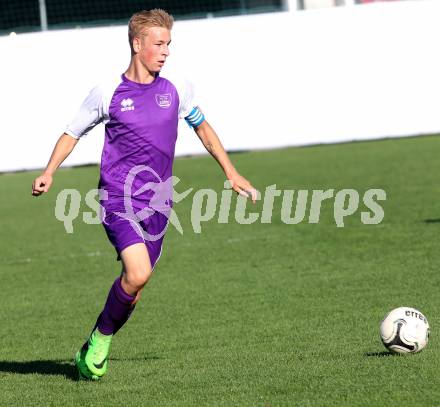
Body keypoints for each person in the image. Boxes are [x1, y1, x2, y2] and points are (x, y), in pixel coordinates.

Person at [31, 8, 256, 381]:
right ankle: (100, 340)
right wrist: (49, 171)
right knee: (136, 272)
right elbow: (72, 132)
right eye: (158, 44)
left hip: (159, 203)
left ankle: (92, 344)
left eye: (169, 44)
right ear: (138, 44)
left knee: (136, 284)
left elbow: (202, 127)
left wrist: (230, 172)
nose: (166, 51)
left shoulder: (177, 87)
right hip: (117, 198)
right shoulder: (108, 92)